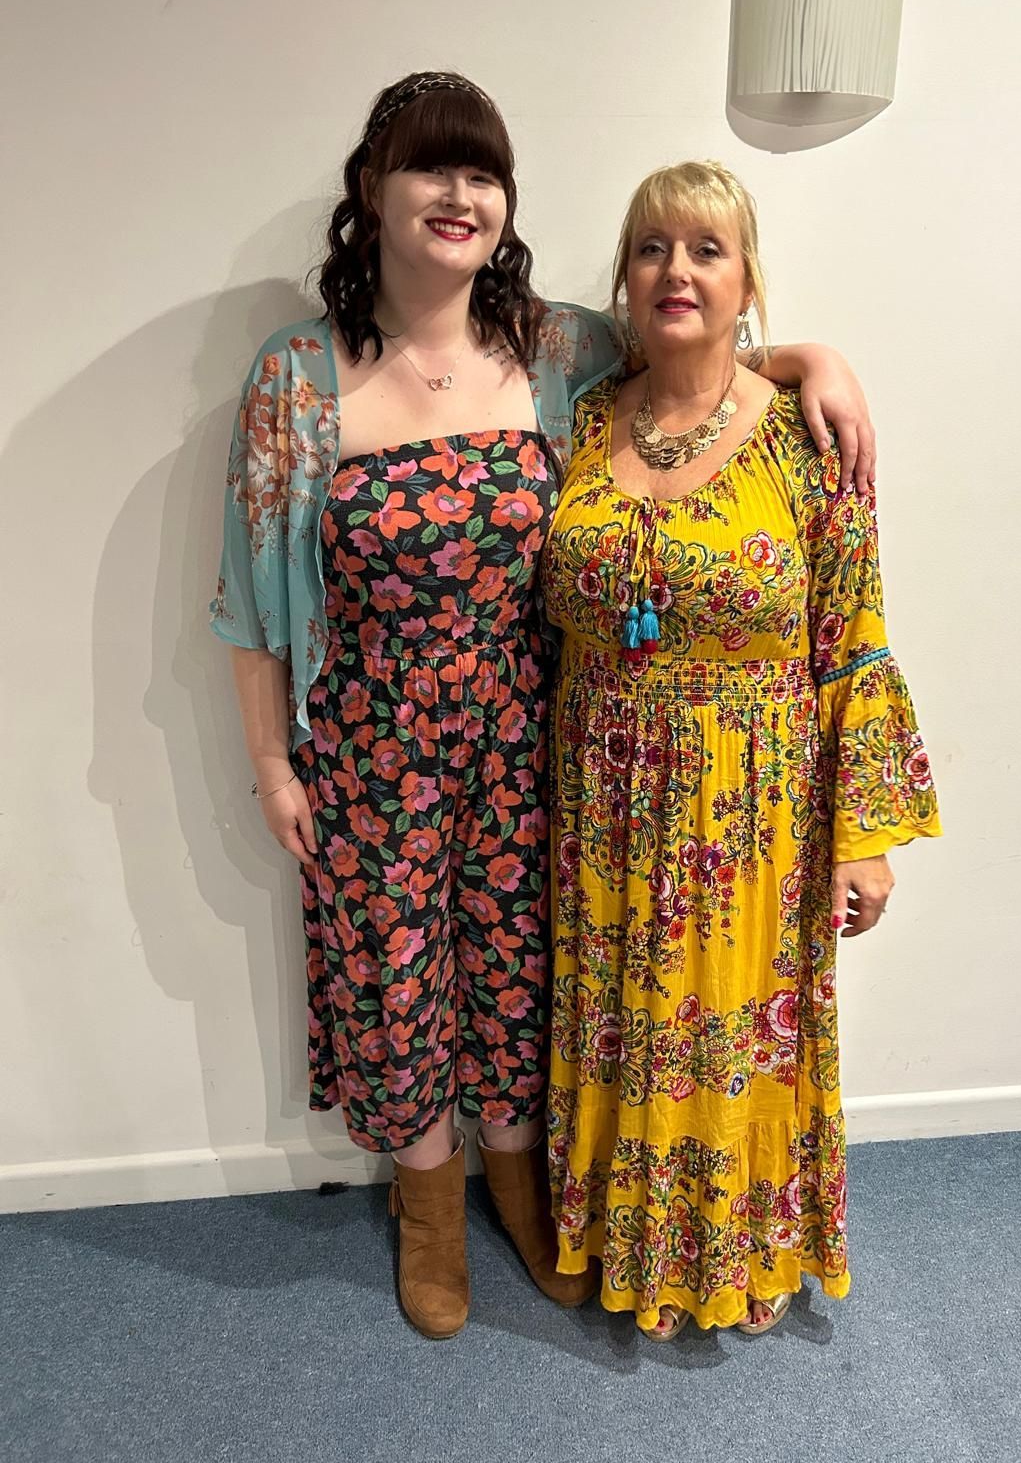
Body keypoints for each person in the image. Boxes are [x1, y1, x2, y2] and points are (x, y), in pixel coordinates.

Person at [211, 73, 879, 1340]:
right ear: (374, 193)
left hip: (533, 737)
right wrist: (274, 766)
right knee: (395, 973)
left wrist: (813, 359)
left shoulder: (556, 348)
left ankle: (517, 1185)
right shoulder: (298, 378)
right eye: (433, 168)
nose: (460, 195)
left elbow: (692, 357)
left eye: (485, 174)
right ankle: (426, 1204)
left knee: (524, 971)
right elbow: (250, 601)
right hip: (371, 745)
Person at [543, 160, 941, 1340]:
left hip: (749, 812)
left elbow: (855, 641)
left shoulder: (808, 438)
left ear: (747, 280)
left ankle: (739, 1251)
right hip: (602, 794)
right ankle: (627, 1239)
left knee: (727, 1032)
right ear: (625, 278)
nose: (677, 269)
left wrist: (864, 839)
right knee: (623, 1022)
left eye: (707, 249)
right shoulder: (583, 418)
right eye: (653, 247)